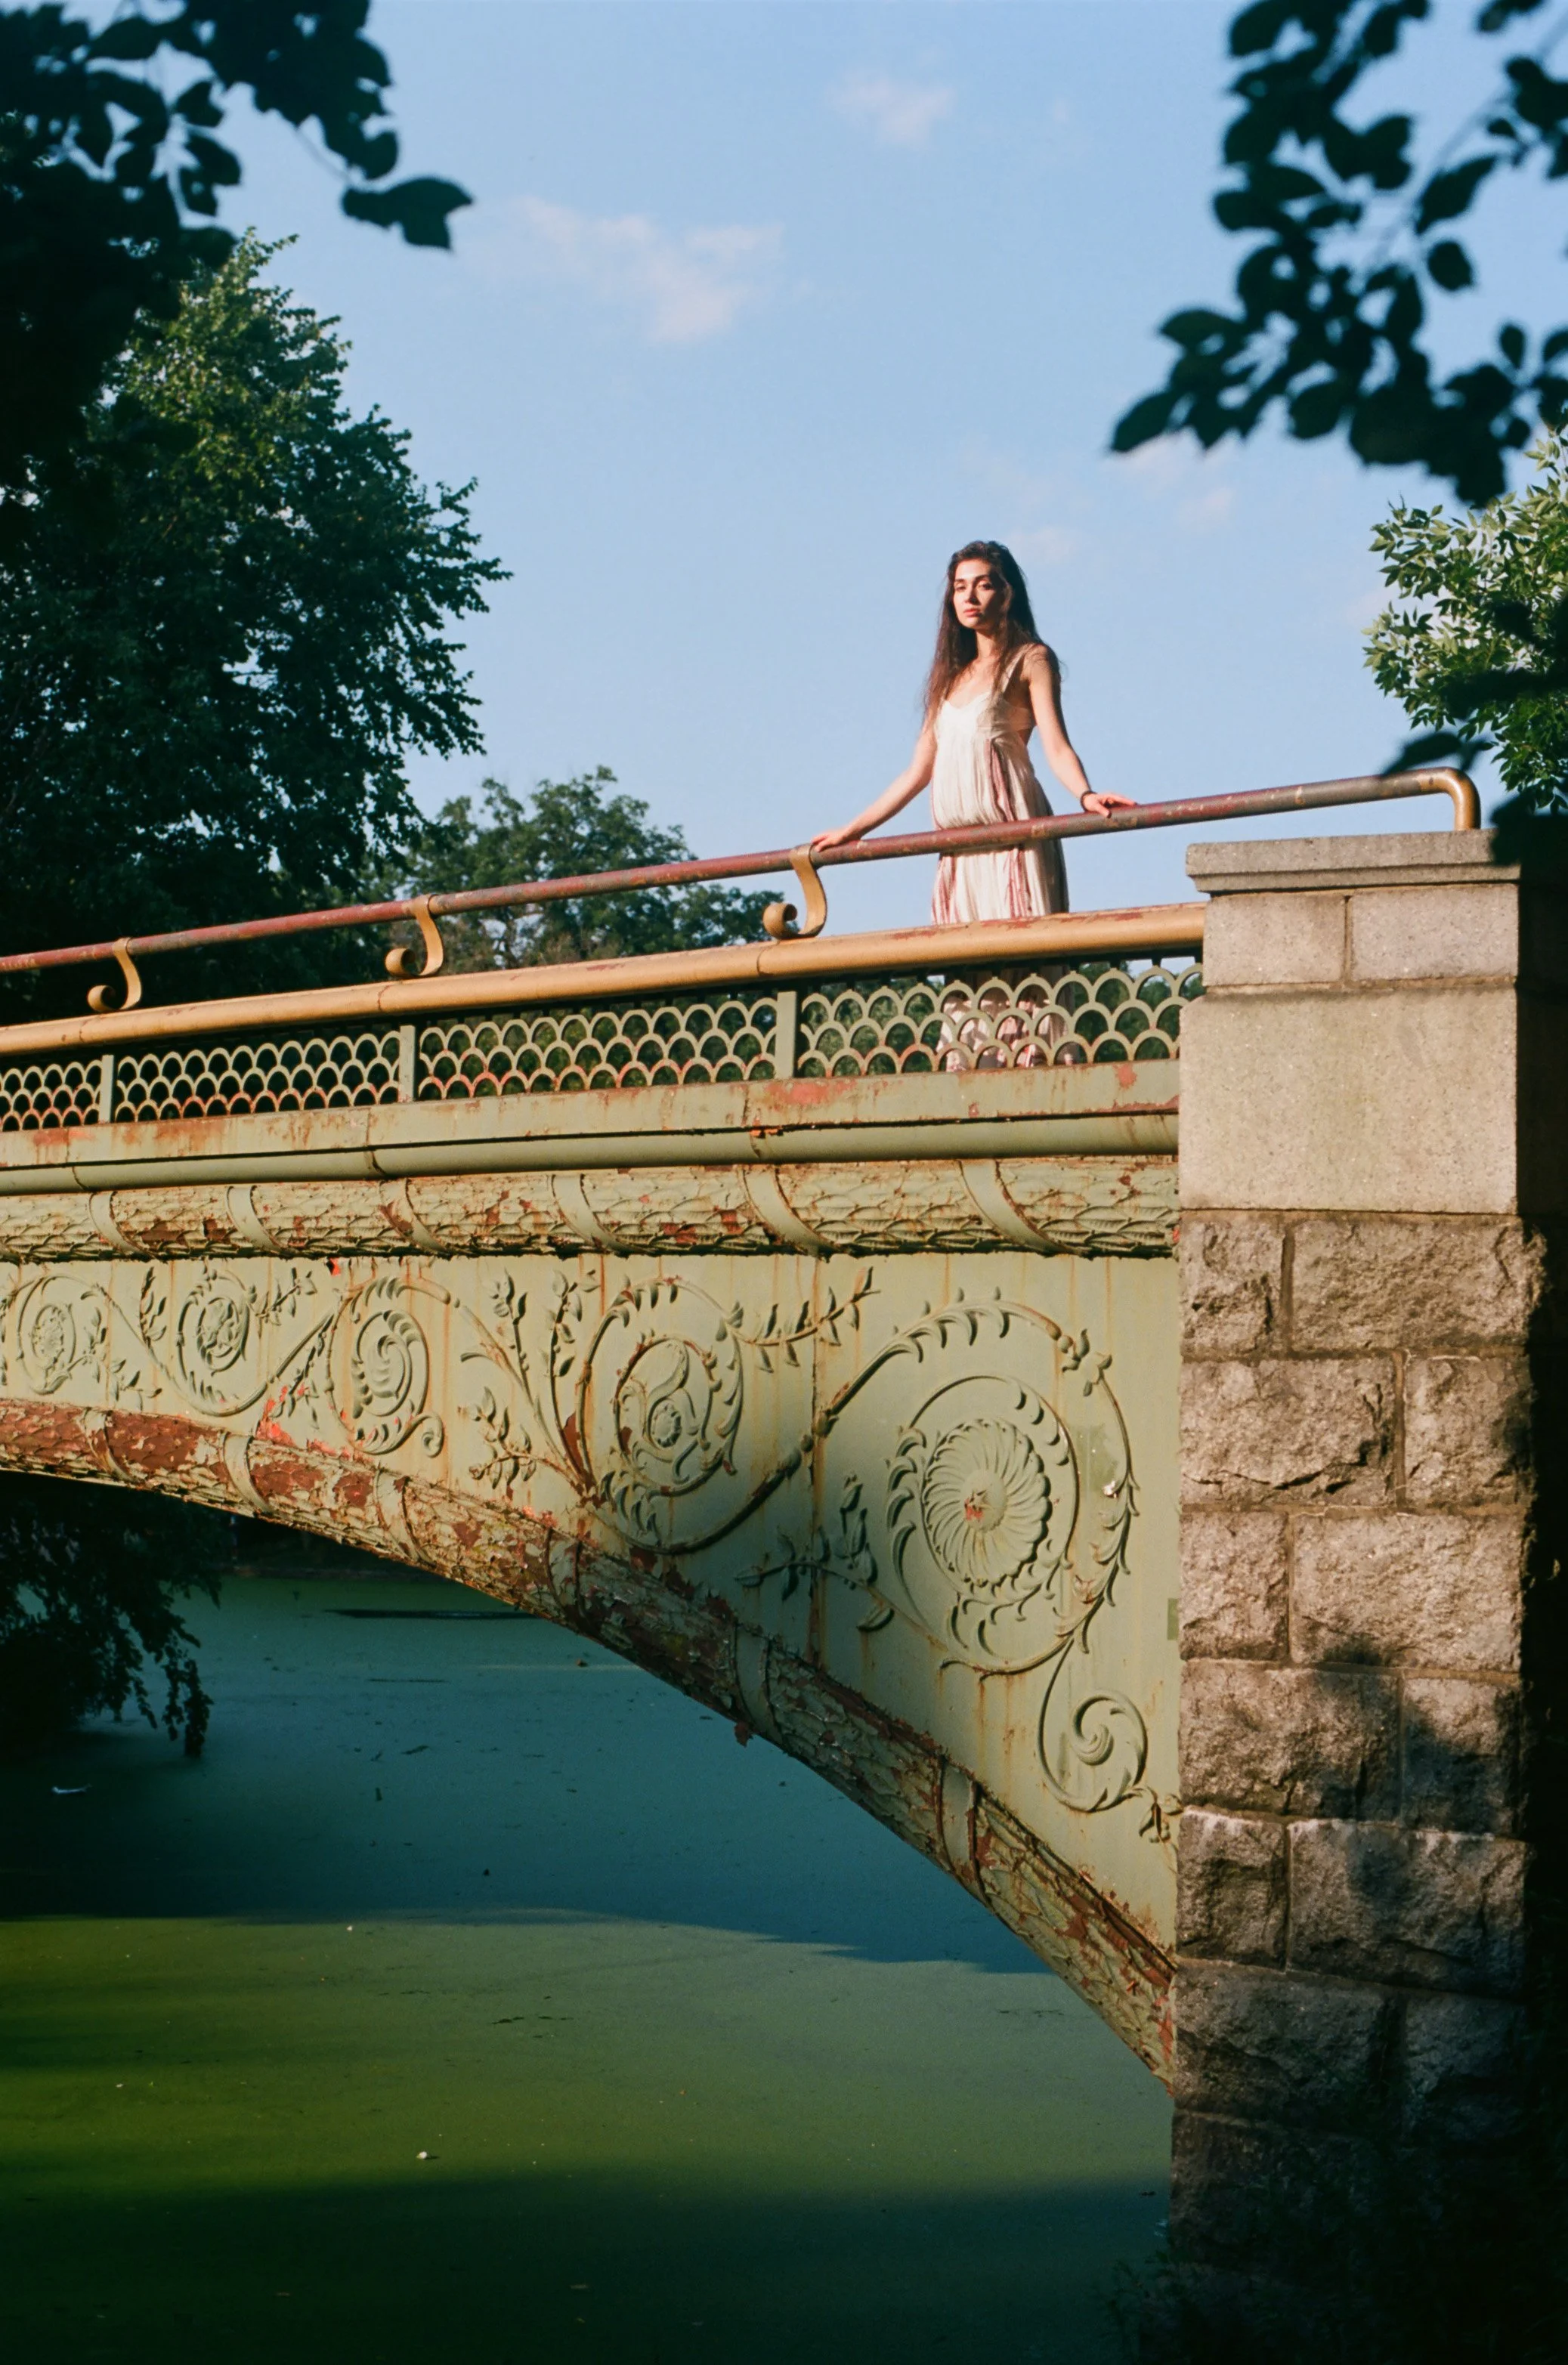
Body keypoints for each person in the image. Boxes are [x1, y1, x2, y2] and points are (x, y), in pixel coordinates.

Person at [812, 539, 1133, 922]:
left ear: (1007, 593)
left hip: (1014, 838)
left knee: (1024, 963)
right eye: (960, 587)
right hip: (958, 849)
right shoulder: (948, 678)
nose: (970, 596)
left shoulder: (1031, 658)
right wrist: (853, 829)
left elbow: (1057, 746)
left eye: (983, 585)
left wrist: (1086, 796)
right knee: (968, 971)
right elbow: (917, 773)